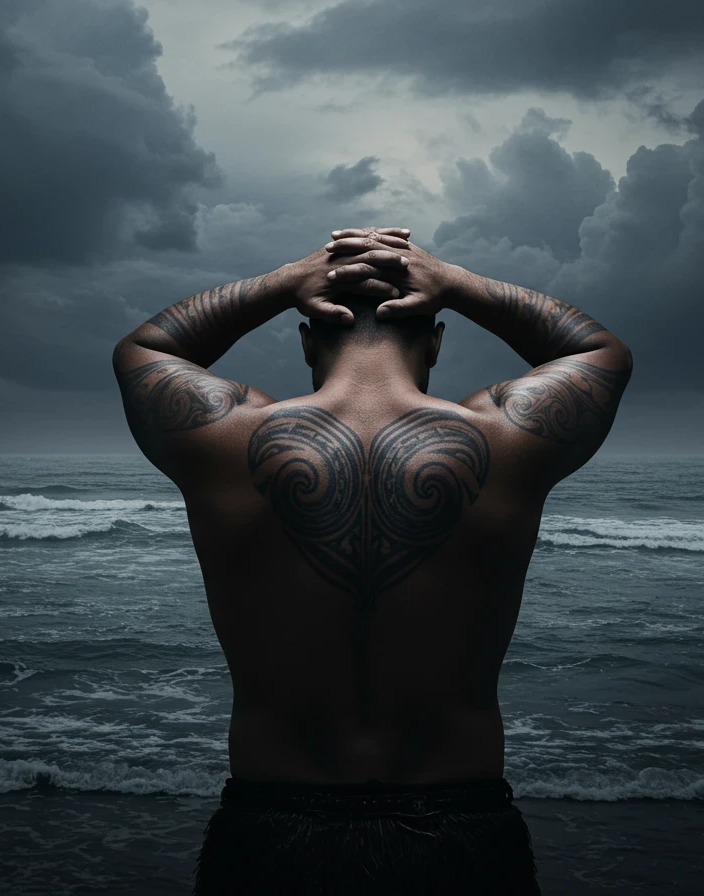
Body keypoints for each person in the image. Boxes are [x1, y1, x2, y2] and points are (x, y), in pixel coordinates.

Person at [113, 227, 633, 894]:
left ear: (306, 339)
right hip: (460, 831)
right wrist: (453, 280)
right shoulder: (500, 438)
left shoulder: (230, 437)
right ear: (437, 341)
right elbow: (599, 351)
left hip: (273, 830)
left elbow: (144, 349)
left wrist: (286, 280)